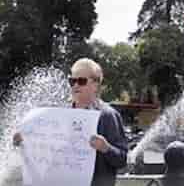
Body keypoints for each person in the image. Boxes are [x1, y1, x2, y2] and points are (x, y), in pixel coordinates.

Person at [13, 58, 128, 186]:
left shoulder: (108, 116)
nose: (75, 85)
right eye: (72, 81)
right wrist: (24, 142)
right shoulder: (58, 115)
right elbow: (45, 151)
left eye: (81, 81)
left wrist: (105, 148)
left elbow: (122, 160)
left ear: (95, 85)